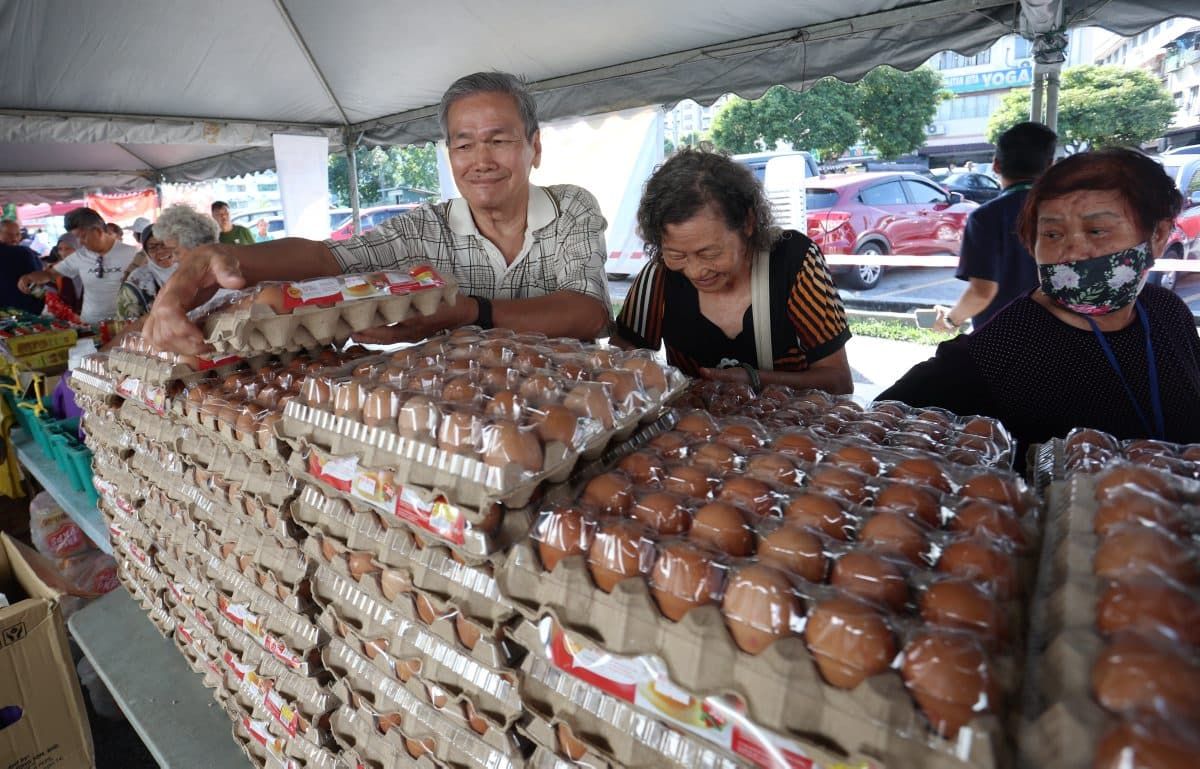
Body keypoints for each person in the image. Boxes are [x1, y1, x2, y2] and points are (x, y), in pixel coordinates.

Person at [144, 71, 610, 355]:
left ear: (535, 148)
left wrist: (468, 312)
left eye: (500, 140)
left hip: (571, 410)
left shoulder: (571, 207)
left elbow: (589, 314)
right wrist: (213, 255)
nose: (481, 159)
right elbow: (328, 259)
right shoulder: (426, 228)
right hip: (467, 421)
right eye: (463, 144)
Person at [879, 148, 1200, 466]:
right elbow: (882, 424)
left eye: (1097, 230)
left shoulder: (1167, 311)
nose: (1072, 250)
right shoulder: (1003, 347)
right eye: (1052, 234)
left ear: (1157, 235)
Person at [614, 149, 852, 393]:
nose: (695, 271)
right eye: (677, 255)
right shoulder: (659, 275)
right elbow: (619, 363)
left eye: (710, 253)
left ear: (747, 223)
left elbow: (838, 381)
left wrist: (757, 381)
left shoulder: (794, 262)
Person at [936, 122, 1057, 332]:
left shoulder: (985, 217)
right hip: (1061, 336)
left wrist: (950, 320)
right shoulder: (1068, 213)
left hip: (1001, 341)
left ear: (996, 165)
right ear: (1050, 166)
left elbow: (982, 292)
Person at [17, 207, 136, 323]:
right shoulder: (81, 256)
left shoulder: (131, 254)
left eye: (82, 236)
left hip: (124, 324)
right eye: (77, 237)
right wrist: (30, 277)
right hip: (90, 325)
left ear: (98, 231)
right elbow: (50, 274)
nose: (80, 242)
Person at [0, 227, 45, 314]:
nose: (15, 238)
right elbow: (35, 283)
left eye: (18, 234)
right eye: (10, 235)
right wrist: (43, 298)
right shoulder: (23, 253)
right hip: (25, 311)